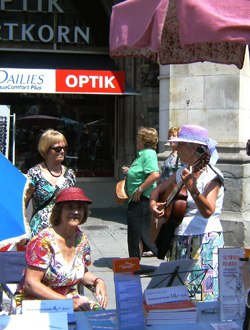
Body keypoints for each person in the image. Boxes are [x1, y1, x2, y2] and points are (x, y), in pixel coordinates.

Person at [150, 125, 224, 301]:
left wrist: (194, 190)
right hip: (179, 237)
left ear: (193, 149)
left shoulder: (212, 176)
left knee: (202, 295)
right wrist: (153, 203)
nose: (175, 148)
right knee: (177, 294)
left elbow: (208, 211)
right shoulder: (180, 173)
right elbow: (158, 189)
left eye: (181, 144)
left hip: (203, 239)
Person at [14, 187, 108, 312]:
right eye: (69, 207)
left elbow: (79, 271)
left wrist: (98, 281)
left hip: (69, 298)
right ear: (59, 212)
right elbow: (31, 284)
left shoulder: (81, 239)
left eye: (79, 208)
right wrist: (67, 303)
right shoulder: (43, 241)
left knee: (101, 315)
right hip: (36, 302)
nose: (75, 212)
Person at [24, 129, 76, 239]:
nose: (61, 151)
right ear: (46, 149)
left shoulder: (69, 174)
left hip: (64, 230)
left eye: (64, 148)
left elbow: (73, 203)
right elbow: (23, 202)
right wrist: (23, 229)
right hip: (40, 232)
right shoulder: (35, 173)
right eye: (57, 149)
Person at [122, 127, 160, 259]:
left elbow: (154, 174)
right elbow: (141, 173)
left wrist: (139, 190)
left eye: (138, 136)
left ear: (145, 140)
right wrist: (129, 172)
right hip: (136, 199)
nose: (136, 139)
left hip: (142, 199)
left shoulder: (149, 154)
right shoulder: (142, 154)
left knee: (136, 232)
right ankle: (135, 262)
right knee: (136, 232)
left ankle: (135, 263)